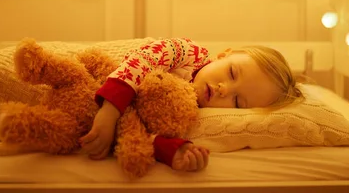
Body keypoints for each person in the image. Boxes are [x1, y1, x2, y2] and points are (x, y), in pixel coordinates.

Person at [79, 37, 305, 172]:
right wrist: (110, 110)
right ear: (223, 55)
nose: (224, 89)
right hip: (99, 69)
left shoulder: (194, 112)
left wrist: (173, 151)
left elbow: (142, 128)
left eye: (237, 101)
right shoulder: (190, 52)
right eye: (232, 72)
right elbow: (146, 58)